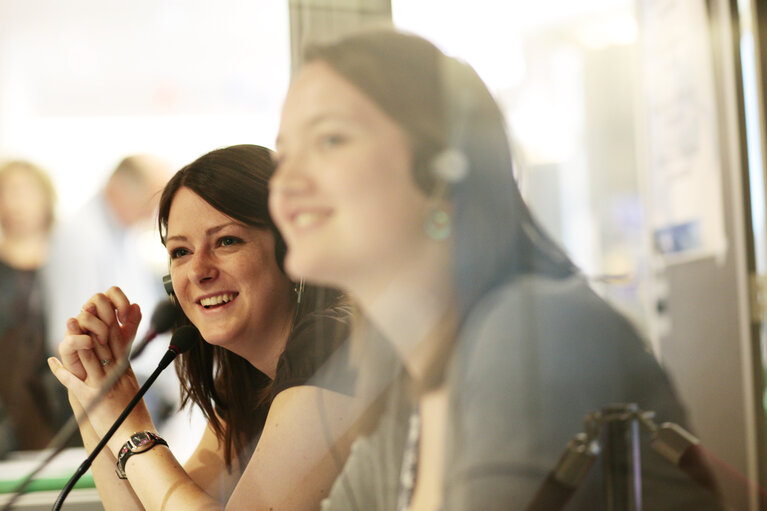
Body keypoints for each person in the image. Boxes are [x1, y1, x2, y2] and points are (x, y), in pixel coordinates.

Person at [268, 29, 723, 510]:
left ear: (443, 170)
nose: (287, 181)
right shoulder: (408, 393)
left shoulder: (536, 330)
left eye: (330, 139)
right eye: (283, 154)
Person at [48, 144, 362, 510]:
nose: (198, 271)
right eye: (181, 252)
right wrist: (94, 391)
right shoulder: (249, 378)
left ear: (293, 249)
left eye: (227, 241)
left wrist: (131, 430)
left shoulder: (335, 347)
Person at [41, 154, 179, 426]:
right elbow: (73, 331)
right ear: (119, 191)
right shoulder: (83, 240)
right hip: (103, 382)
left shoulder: (119, 232)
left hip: (128, 373)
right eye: (148, 202)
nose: (152, 214)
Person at [0, 160, 63, 454]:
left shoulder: (68, 264)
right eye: (7, 192)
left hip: (60, 408)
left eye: (24, 191)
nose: (15, 202)